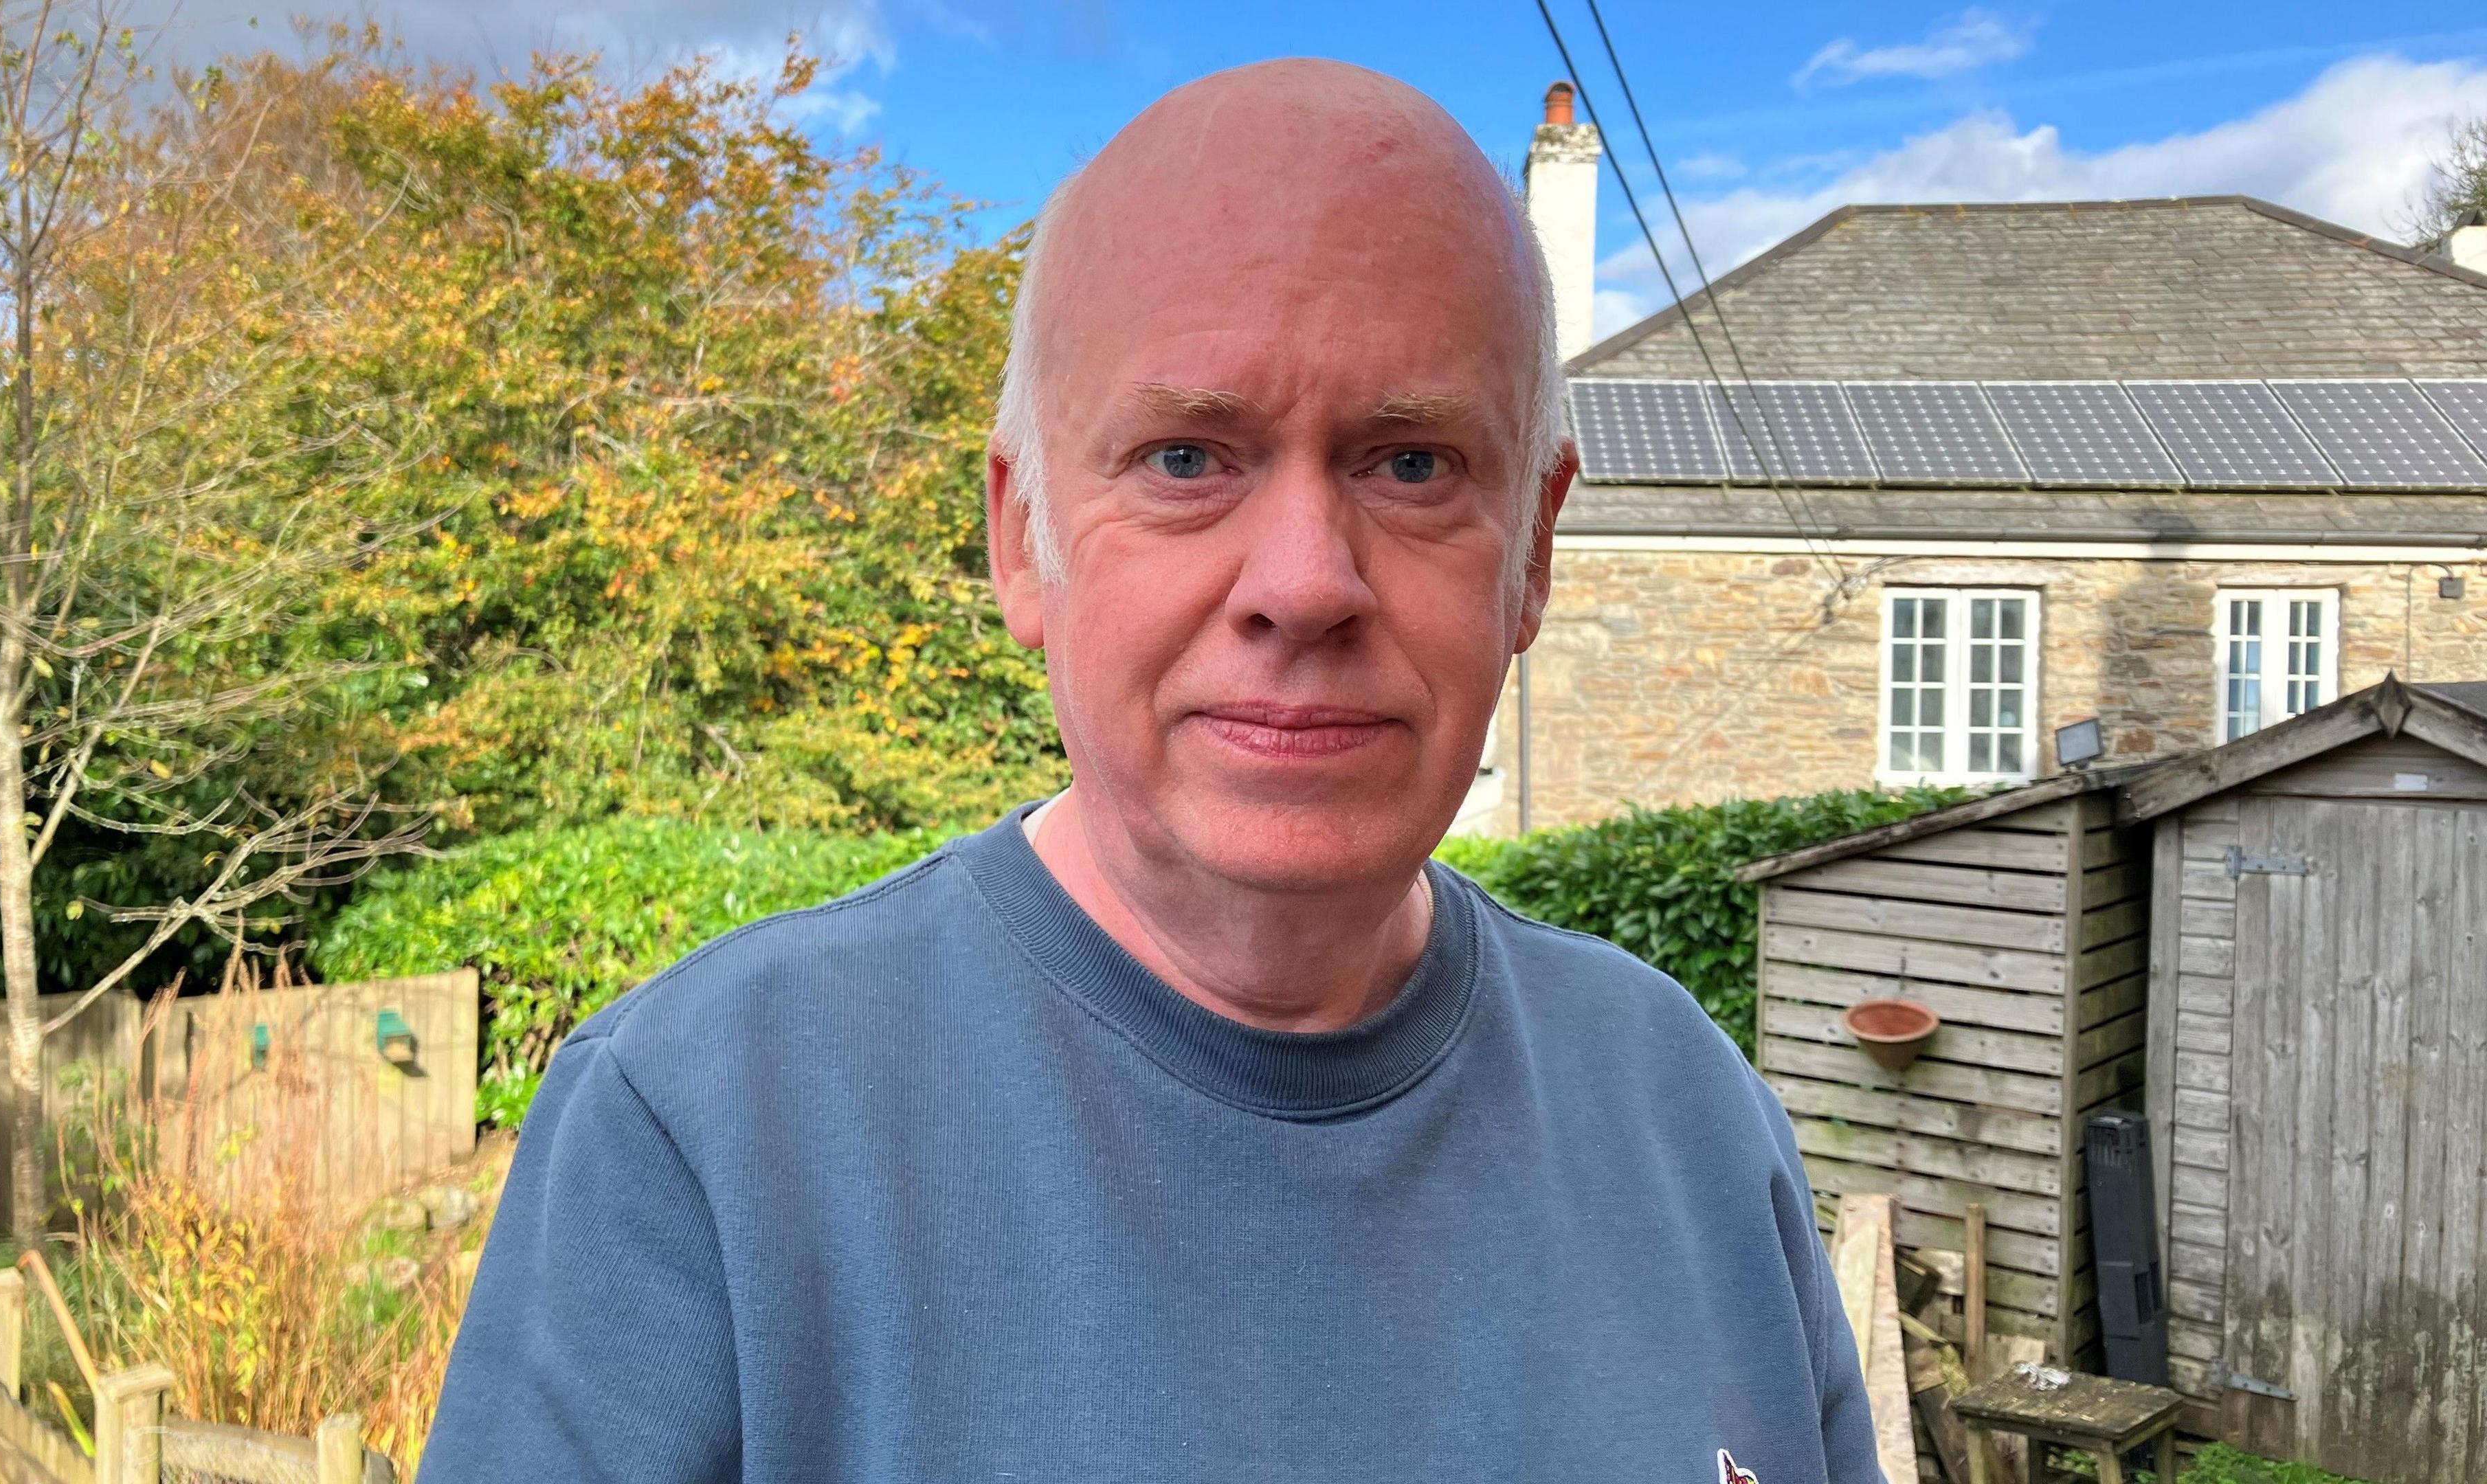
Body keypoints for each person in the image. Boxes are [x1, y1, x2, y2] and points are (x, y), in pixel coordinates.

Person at [419, 58, 1878, 1484]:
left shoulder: (1689, 1115)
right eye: (1187, 459)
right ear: (1021, 537)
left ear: (1536, 550)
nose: (1305, 585)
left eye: (1413, 464)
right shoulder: (697, 1142)